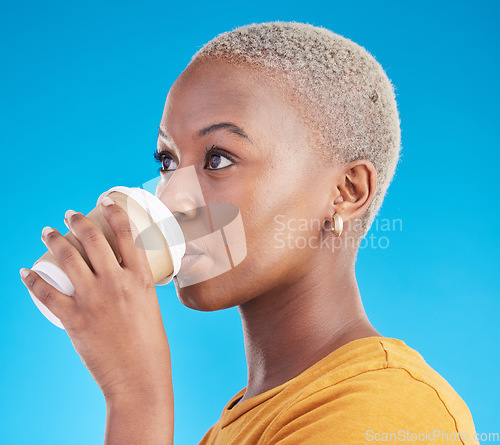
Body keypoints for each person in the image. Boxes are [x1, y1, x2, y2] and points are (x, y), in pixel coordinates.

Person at [20, 21, 479, 444]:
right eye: (167, 161)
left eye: (218, 158)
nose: (173, 196)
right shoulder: (241, 425)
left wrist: (137, 394)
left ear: (345, 191)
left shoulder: (390, 412)